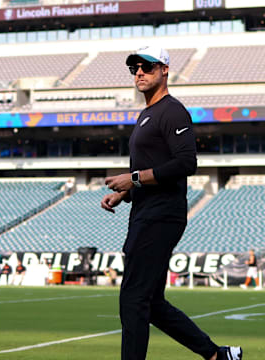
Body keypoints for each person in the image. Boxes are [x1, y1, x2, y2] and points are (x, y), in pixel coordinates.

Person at [100, 46, 242, 360]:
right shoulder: (145, 114)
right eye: (134, 68)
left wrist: (133, 178)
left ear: (165, 69)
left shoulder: (172, 111)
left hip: (162, 216)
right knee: (150, 302)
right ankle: (219, 356)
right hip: (145, 212)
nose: (139, 72)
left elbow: (185, 163)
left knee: (134, 298)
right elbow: (155, 171)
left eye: (147, 67)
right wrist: (125, 193)